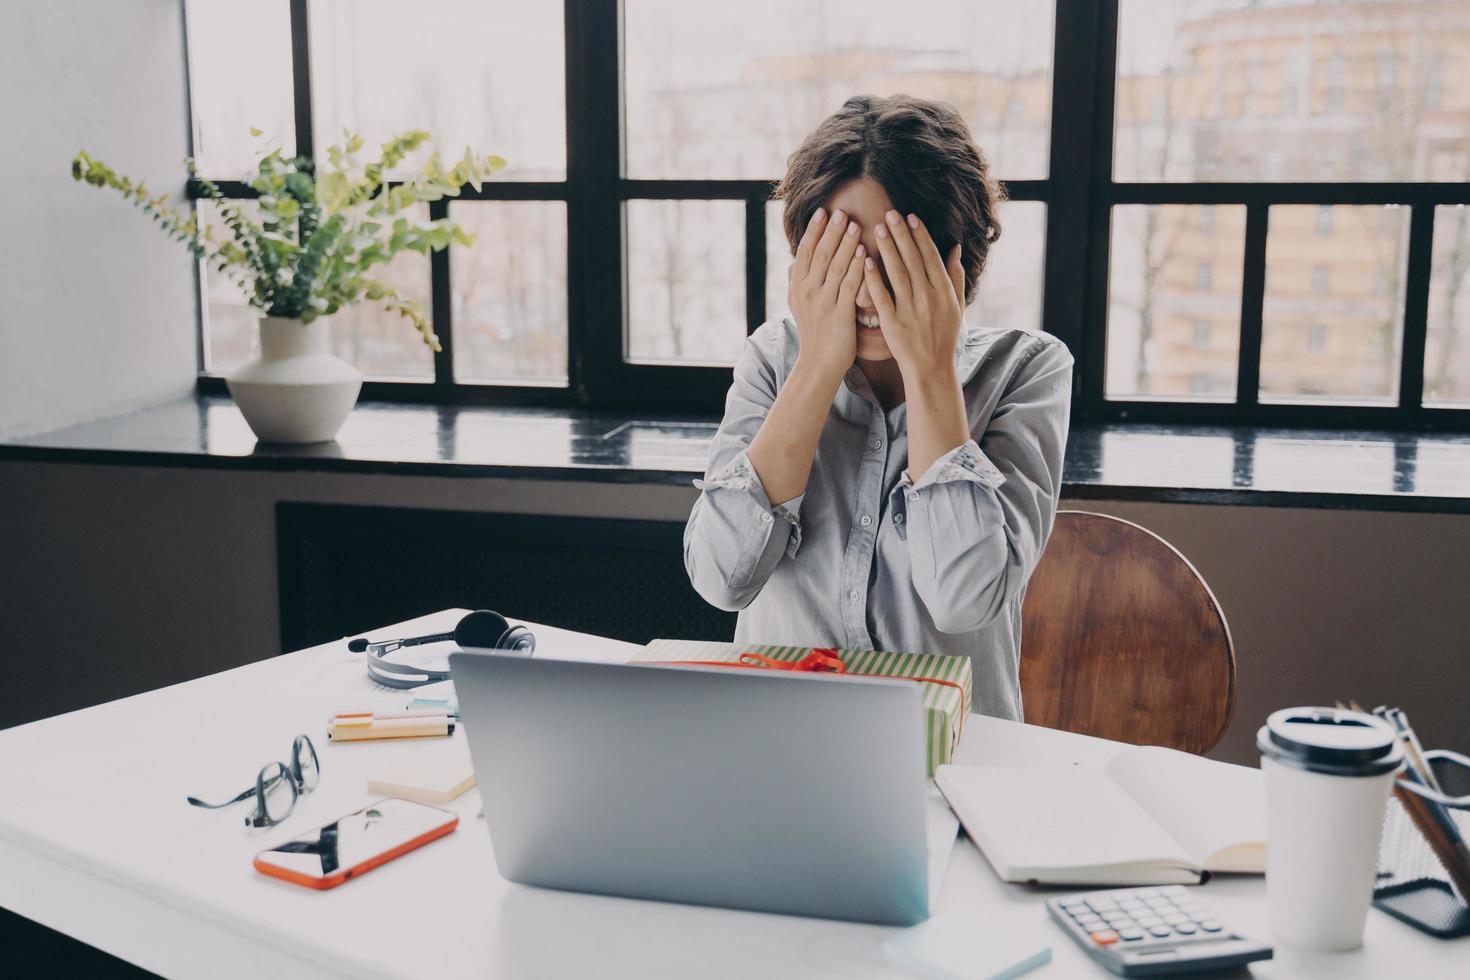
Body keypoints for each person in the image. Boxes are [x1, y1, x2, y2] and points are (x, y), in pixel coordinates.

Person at [682, 94, 1072, 720]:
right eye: (841, 252)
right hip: (781, 740)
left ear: (955, 259)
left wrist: (930, 370)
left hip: (952, 759)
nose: (866, 286)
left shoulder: (1025, 370)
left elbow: (964, 599)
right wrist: (815, 367)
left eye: (895, 255)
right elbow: (722, 580)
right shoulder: (772, 359)